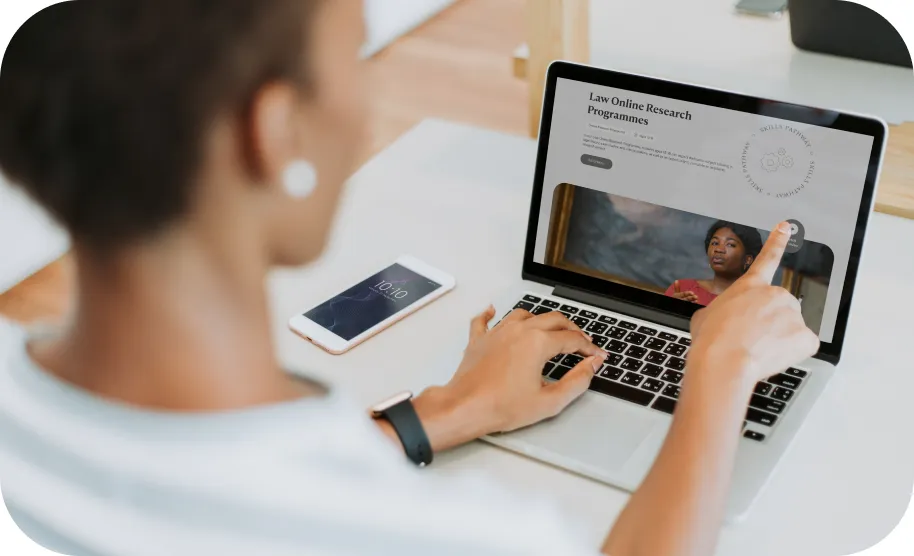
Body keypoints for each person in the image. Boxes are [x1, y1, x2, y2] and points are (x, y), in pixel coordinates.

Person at [0, 1, 819, 555]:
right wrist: (717, 370)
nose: (364, 101)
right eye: (356, 58)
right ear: (275, 131)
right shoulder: (420, 534)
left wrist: (442, 411)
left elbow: (211, 475)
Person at [666, 220, 764, 305]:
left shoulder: (757, 303)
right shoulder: (683, 288)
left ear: (748, 259)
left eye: (730, 245)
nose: (718, 249)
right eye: (715, 243)